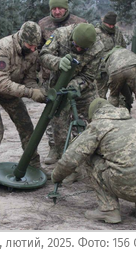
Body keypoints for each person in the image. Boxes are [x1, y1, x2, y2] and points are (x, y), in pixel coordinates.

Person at [52, 99, 136, 224]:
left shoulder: (98, 126)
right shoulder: (133, 122)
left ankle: (108, 210)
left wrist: (56, 176)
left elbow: (71, 159)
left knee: (90, 157)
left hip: (127, 185)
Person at [0, 22, 48, 196]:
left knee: (27, 127)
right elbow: (1, 84)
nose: (33, 49)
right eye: (30, 45)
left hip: (9, 93)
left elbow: (29, 79)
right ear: (21, 39)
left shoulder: (33, 52)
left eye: (35, 46)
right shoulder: (2, 48)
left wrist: (37, 91)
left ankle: (35, 166)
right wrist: (30, 93)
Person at [39, 23, 104, 165]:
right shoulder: (60, 35)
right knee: (59, 124)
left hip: (84, 88)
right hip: (59, 85)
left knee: (98, 118)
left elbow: (89, 76)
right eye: (76, 45)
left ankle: (97, 155)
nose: (79, 49)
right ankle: (61, 155)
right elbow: (43, 55)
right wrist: (58, 62)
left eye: (83, 49)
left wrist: (74, 86)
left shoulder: (98, 47)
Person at [100, 48, 136, 127]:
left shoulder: (108, 58)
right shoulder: (129, 53)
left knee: (113, 95)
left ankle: (110, 119)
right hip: (133, 69)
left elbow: (108, 73)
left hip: (115, 72)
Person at [94, 11, 128, 99]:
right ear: (104, 22)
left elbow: (123, 46)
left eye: (113, 25)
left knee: (120, 95)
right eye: (109, 25)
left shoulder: (117, 32)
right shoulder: (96, 33)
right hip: (102, 70)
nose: (111, 27)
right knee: (100, 96)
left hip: (117, 69)